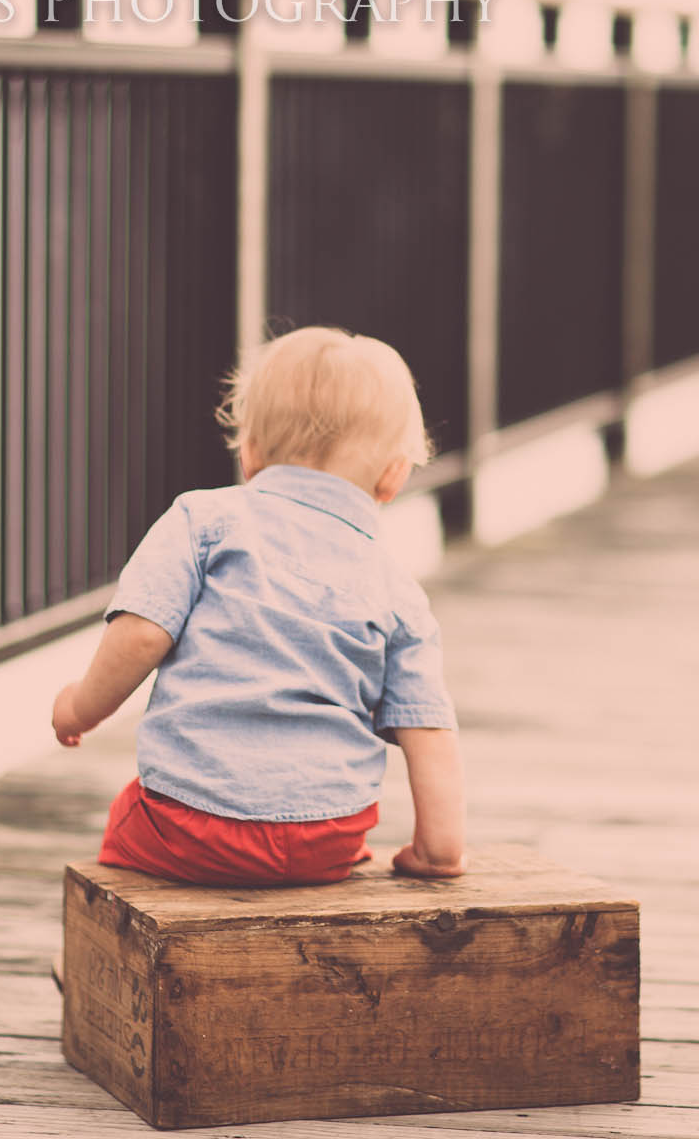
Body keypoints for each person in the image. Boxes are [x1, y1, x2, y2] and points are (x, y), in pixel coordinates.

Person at [50, 326, 465, 886]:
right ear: (393, 476)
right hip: (328, 836)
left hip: (188, 824)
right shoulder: (398, 591)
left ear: (249, 453)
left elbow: (143, 635)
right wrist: (437, 851)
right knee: (329, 834)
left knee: (127, 820)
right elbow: (428, 730)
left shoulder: (203, 522)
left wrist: (79, 708)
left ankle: (105, 957)